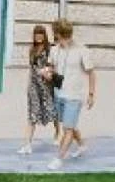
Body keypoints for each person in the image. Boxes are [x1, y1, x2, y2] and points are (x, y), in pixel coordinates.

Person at [44, 19, 96, 171]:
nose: (54, 35)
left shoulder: (82, 50)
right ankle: (82, 145)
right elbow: (50, 68)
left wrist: (91, 94)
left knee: (67, 128)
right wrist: (47, 73)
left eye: (55, 33)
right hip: (58, 94)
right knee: (69, 125)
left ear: (59, 34)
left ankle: (59, 158)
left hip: (74, 96)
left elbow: (91, 73)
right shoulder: (54, 50)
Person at [17, 24, 59, 155]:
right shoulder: (32, 49)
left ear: (44, 35)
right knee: (33, 114)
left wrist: (48, 72)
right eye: (37, 34)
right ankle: (27, 145)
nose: (39, 36)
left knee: (53, 110)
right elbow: (32, 68)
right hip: (34, 85)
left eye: (41, 34)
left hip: (47, 85)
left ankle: (58, 133)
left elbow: (54, 65)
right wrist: (29, 85)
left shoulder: (50, 49)